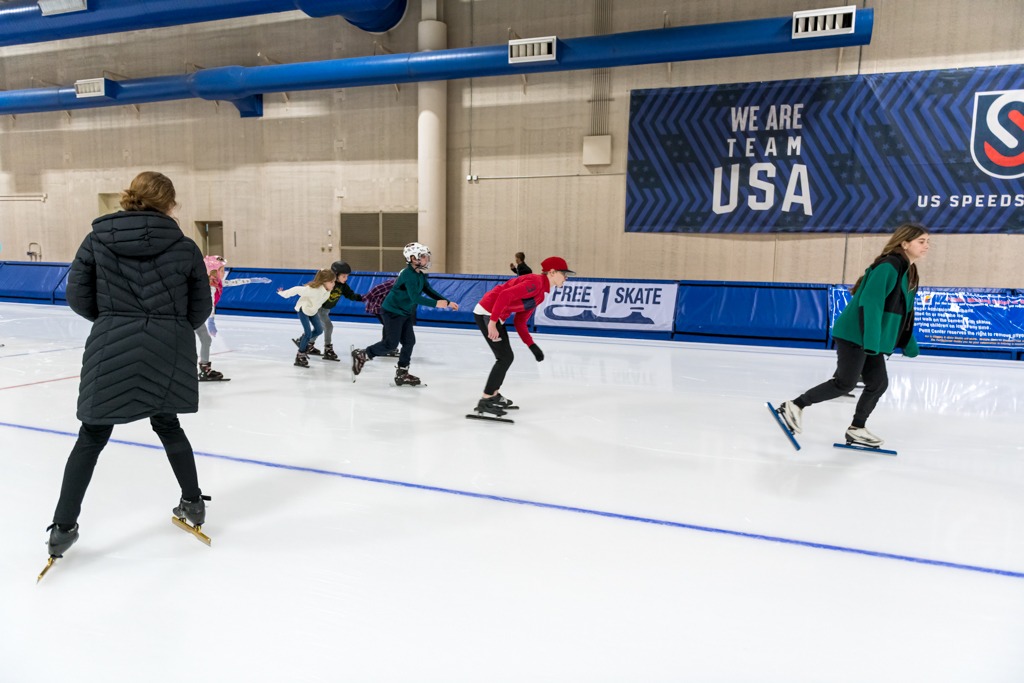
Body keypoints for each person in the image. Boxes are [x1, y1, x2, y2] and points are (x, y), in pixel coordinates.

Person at [43, 171, 213, 574]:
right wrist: (168, 325)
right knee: (168, 425)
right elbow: (200, 307)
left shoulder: (96, 240)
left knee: (92, 434)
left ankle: (62, 530)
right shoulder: (185, 246)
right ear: (169, 203)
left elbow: (77, 295)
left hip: (112, 344)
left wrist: (113, 320)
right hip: (167, 346)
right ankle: (193, 504)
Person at [775, 223, 930, 447]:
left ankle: (857, 428)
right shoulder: (889, 267)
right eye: (921, 241)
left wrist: (907, 341)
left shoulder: (909, 271)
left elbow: (904, 312)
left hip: (870, 338)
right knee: (844, 383)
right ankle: (795, 405)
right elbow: (871, 304)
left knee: (878, 383)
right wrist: (871, 341)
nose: (927, 246)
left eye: (928, 241)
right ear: (905, 243)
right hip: (857, 334)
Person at [472, 256, 574, 417]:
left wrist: (532, 346)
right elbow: (505, 295)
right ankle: (485, 400)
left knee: (506, 357)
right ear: (553, 272)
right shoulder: (535, 282)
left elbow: (520, 321)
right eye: (564, 274)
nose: (566, 278)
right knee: (504, 357)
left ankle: (493, 394)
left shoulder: (541, 295)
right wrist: (491, 322)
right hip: (487, 312)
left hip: (496, 316)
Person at [350, 242, 458, 385]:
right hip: (392, 311)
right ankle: (363, 354)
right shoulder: (408, 275)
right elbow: (415, 298)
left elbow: (428, 290)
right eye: (424, 257)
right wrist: (436, 304)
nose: (427, 259)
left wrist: (447, 301)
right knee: (390, 344)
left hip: (404, 312)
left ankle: (402, 373)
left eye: (426, 256)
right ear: (413, 259)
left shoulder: (419, 274)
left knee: (409, 342)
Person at [197, 254, 272, 381]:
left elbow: (232, 282)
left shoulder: (213, 283)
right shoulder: (209, 286)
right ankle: (203, 370)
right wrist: (211, 321)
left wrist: (253, 280)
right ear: (213, 271)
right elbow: (210, 304)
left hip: (194, 316)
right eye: (222, 269)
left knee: (205, 340)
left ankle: (204, 369)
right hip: (192, 316)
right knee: (204, 340)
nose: (224, 271)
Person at [293, 260, 363, 361]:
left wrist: (362, 298)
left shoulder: (343, 286)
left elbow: (350, 295)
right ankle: (327, 348)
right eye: (344, 276)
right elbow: (316, 285)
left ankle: (307, 343)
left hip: (326, 310)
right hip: (319, 309)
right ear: (335, 274)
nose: (346, 279)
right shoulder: (326, 284)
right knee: (328, 327)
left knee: (320, 328)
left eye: (347, 276)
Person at [277, 269, 336, 368]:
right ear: (324, 281)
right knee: (308, 333)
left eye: (334, 281)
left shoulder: (327, 292)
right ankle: (300, 355)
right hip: (303, 309)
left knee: (319, 330)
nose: (333, 284)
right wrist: (282, 293)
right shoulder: (313, 290)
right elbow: (296, 289)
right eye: (331, 282)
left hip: (312, 311)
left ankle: (301, 341)